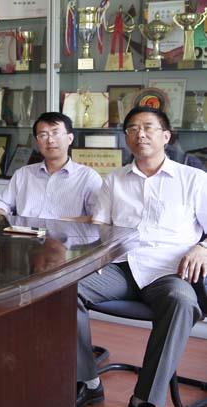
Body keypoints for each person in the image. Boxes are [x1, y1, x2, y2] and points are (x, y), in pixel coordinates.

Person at [76, 107, 207, 407]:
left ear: (166, 136)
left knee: (182, 301)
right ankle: (88, 381)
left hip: (170, 270)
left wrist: (203, 247)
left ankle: (145, 400)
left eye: (148, 127)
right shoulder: (114, 180)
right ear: (126, 138)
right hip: (120, 268)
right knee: (64, 291)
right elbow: (99, 227)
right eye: (133, 129)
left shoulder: (194, 179)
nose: (140, 134)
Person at [0, 112, 102, 219]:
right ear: (37, 141)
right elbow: (0, 205)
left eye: (55, 133)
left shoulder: (88, 177)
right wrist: (3, 219)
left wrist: (67, 223)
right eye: (43, 135)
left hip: (66, 233)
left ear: (70, 138)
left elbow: (100, 217)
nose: (50, 140)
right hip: (23, 231)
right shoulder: (23, 174)